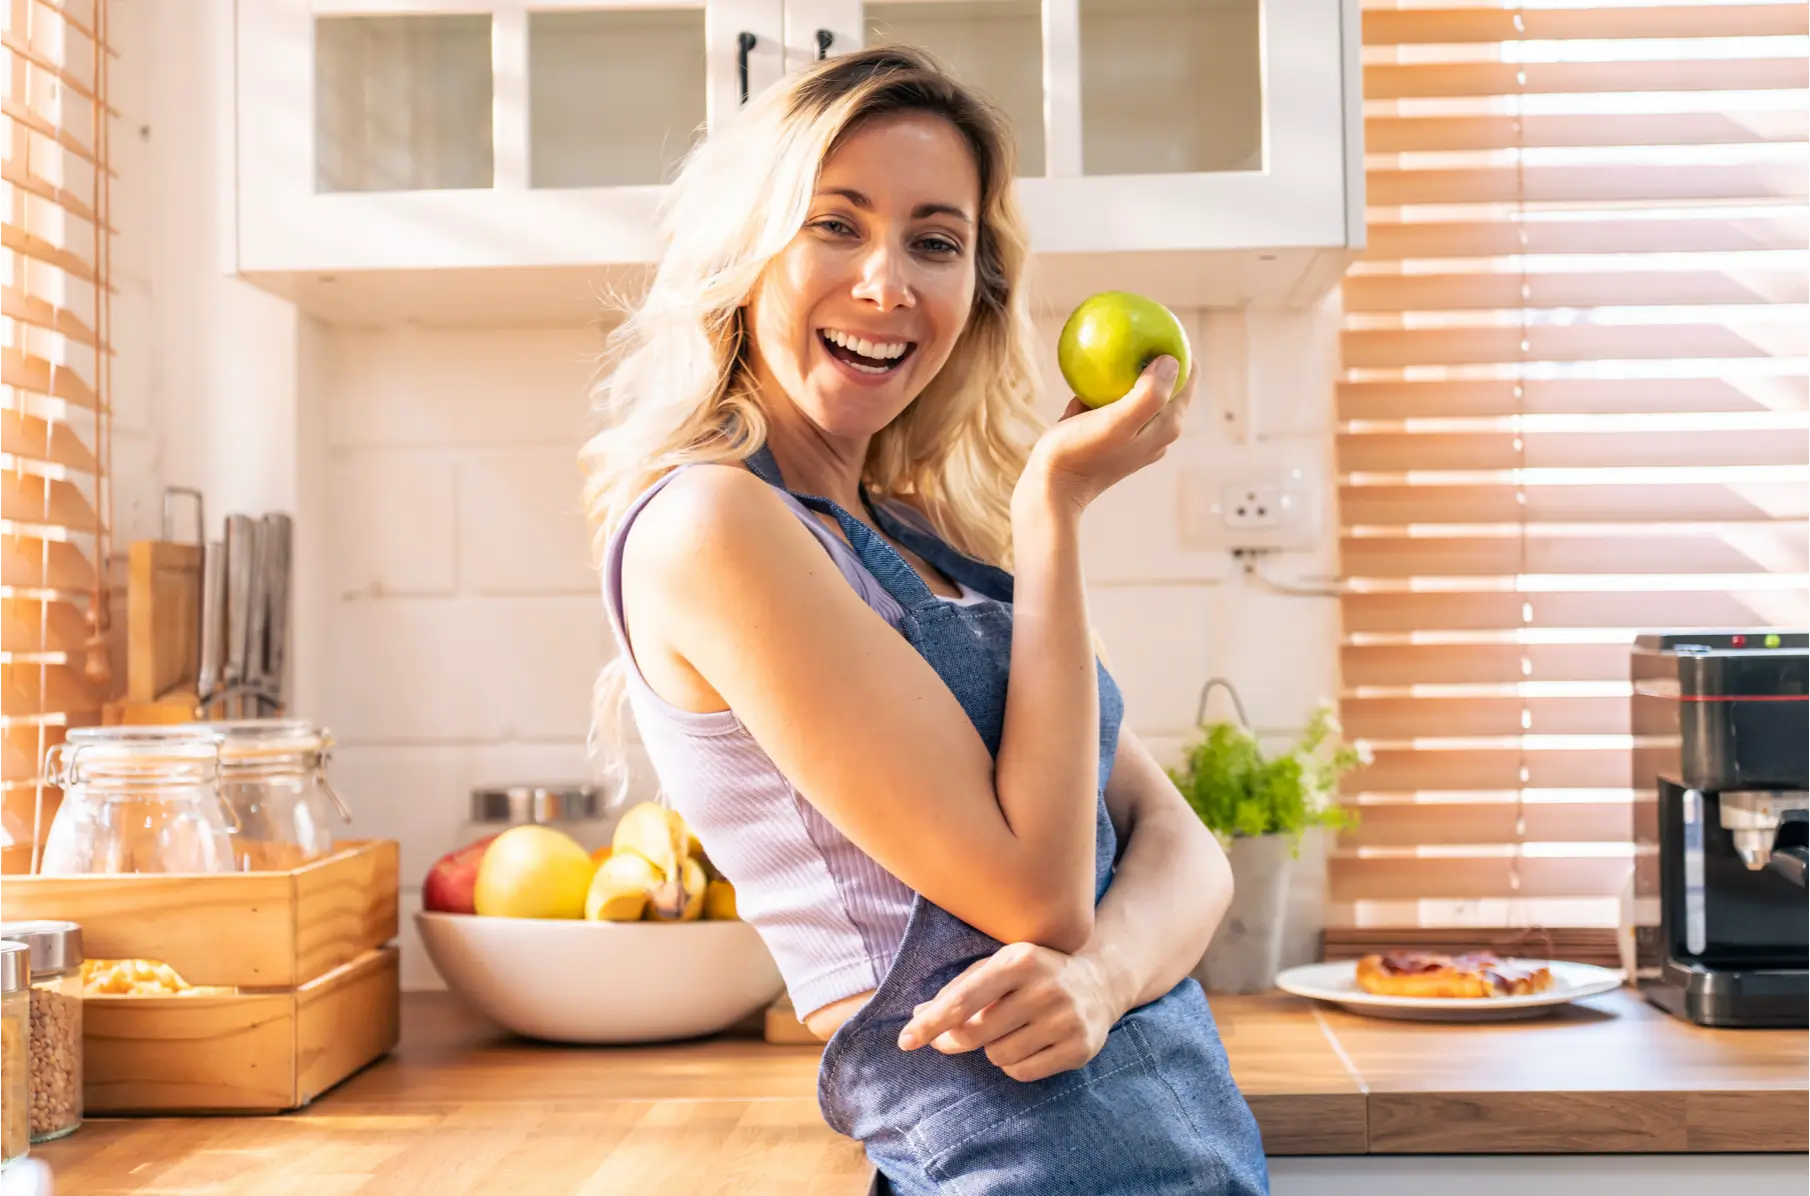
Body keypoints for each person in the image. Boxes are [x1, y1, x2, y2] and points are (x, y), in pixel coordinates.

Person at [581, 45, 1268, 1196]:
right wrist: (1051, 504)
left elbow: (1182, 845)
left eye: (935, 241)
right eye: (835, 225)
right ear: (745, 254)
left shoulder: (913, 536)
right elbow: (1035, 896)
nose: (888, 282)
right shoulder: (715, 523)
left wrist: (1099, 986)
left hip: (1190, 1149)